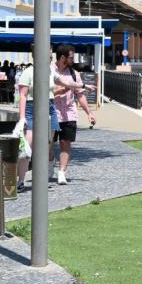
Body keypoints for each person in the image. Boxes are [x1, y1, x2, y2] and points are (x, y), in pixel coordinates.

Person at [16, 52, 69, 191]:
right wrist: (22, 117)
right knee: (27, 147)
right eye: (48, 57)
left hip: (49, 107)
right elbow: (23, 95)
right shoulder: (28, 72)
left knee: (46, 146)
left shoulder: (50, 71)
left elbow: (65, 82)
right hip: (31, 107)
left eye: (51, 57)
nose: (50, 59)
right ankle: (20, 180)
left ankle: (41, 179)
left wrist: (81, 86)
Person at [50, 44, 96, 184]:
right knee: (48, 143)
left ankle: (62, 172)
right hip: (51, 112)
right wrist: (60, 91)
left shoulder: (74, 74)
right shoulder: (49, 70)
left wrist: (89, 113)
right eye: (70, 57)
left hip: (69, 114)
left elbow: (80, 95)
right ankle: (50, 160)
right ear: (62, 57)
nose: (73, 60)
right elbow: (43, 92)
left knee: (66, 143)